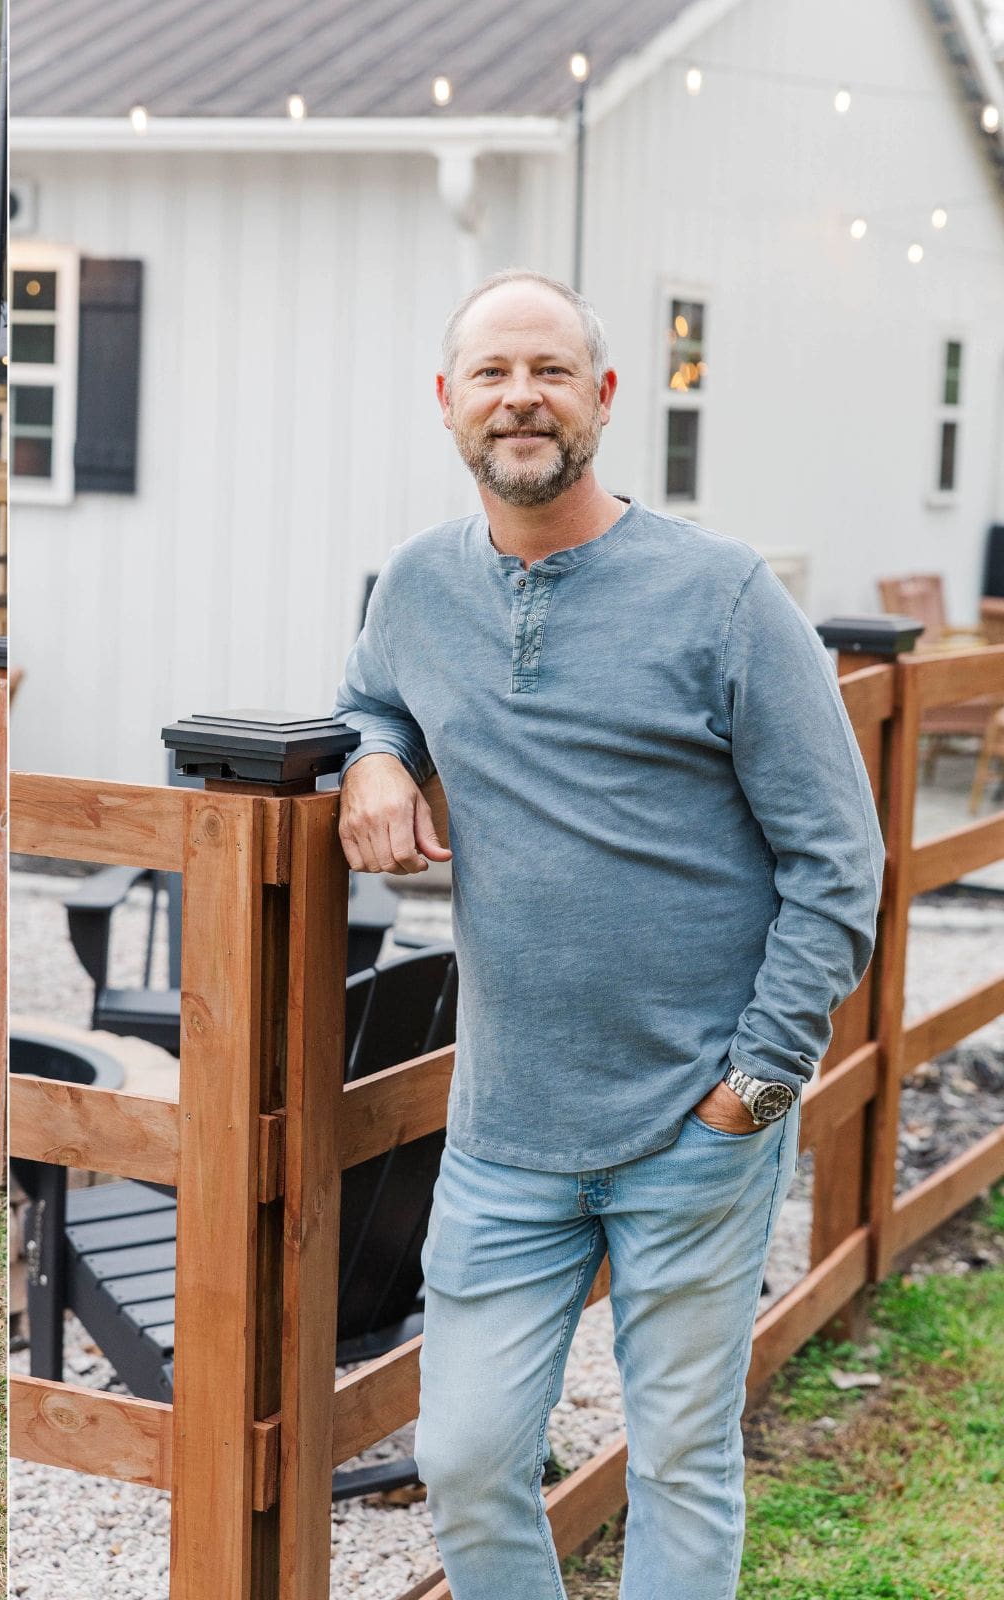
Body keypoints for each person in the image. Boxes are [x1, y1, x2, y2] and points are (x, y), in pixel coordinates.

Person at [331, 269, 882, 1597]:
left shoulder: (725, 597)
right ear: (450, 404)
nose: (521, 398)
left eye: (551, 372)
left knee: (681, 1457)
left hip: (695, 1127)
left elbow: (838, 861)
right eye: (493, 374)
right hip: (506, 1130)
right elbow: (368, 696)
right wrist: (371, 752)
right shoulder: (415, 586)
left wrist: (755, 1083)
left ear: (604, 398)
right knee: (464, 1462)